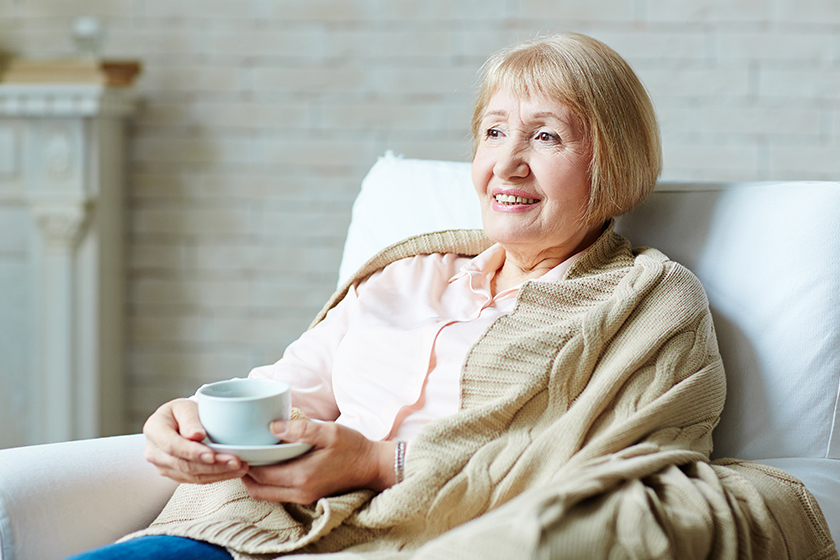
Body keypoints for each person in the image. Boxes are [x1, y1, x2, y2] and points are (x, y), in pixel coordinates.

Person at [67, 33, 833, 560]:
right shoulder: (406, 272)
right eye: (494, 132)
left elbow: (619, 465)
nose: (509, 164)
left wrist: (379, 463)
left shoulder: (648, 298)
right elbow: (283, 392)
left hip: (450, 536)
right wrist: (192, 421)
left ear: (614, 163)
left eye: (546, 137)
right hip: (252, 532)